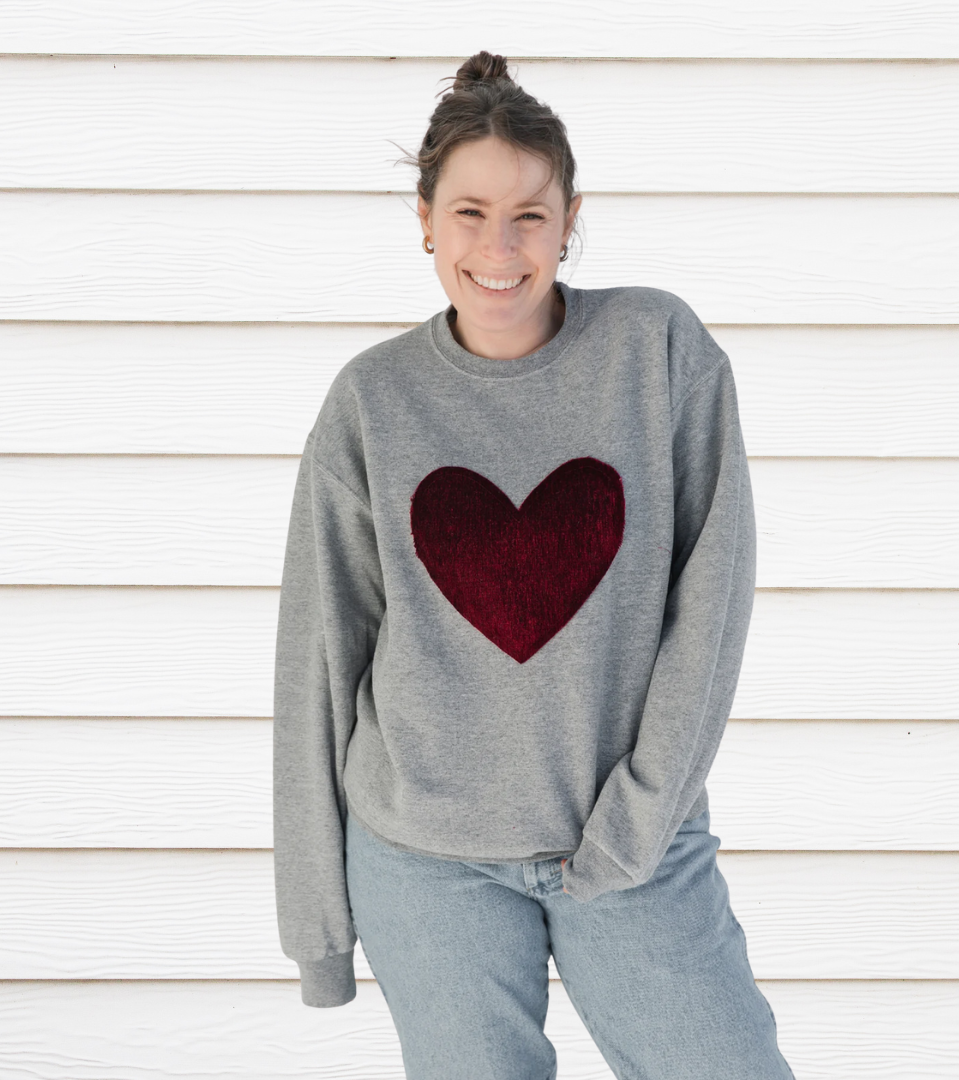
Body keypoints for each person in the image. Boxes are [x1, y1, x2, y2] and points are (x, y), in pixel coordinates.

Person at [273, 49, 796, 1080]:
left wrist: (637, 824)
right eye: (468, 213)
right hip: (423, 861)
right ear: (424, 219)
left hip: (633, 847)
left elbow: (715, 599)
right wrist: (318, 932)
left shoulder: (656, 350)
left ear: (571, 218)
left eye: (529, 214)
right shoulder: (372, 402)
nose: (499, 246)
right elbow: (319, 662)